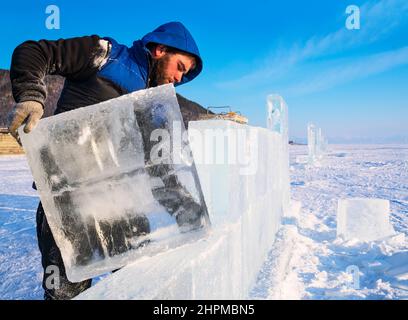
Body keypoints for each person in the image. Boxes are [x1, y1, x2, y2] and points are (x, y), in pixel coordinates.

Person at [7, 21, 203, 300]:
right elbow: (34, 51)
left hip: (122, 208)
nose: (179, 79)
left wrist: (186, 209)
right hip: (68, 204)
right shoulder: (104, 55)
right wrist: (31, 97)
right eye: (180, 68)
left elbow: (158, 167)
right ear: (160, 50)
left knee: (134, 286)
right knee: (66, 292)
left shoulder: (153, 107)